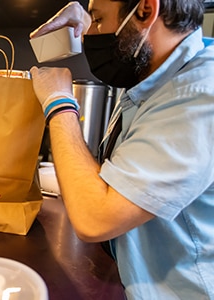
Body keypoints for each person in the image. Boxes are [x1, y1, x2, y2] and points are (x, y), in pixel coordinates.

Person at [29, 0, 214, 299]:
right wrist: (90, 21)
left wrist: (59, 103)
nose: (92, 36)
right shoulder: (158, 76)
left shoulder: (199, 94)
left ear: (145, 10)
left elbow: (94, 218)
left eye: (99, 21)